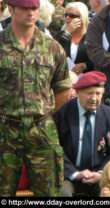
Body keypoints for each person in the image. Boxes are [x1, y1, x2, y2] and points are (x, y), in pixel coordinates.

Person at [0, 0, 72, 196]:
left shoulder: (52, 47)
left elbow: (63, 89)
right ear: (11, 10)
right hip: (5, 129)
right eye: (24, 8)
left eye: (34, 8)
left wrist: (42, 115)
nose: (30, 13)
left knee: (49, 193)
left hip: (41, 129)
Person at [53, 71, 110, 196]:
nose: (94, 98)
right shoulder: (62, 113)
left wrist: (101, 173)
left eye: (98, 93)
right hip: (67, 174)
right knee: (62, 193)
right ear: (77, 92)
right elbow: (55, 149)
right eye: (89, 93)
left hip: (97, 174)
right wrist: (75, 174)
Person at [55, 2, 93, 76]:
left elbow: (98, 58)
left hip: (86, 79)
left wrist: (86, 65)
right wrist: (67, 32)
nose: (67, 18)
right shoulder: (61, 35)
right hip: (65, 79)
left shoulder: (91, 35)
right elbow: (55, 52)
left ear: (82, 18)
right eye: (66, 15)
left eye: (72, 16)